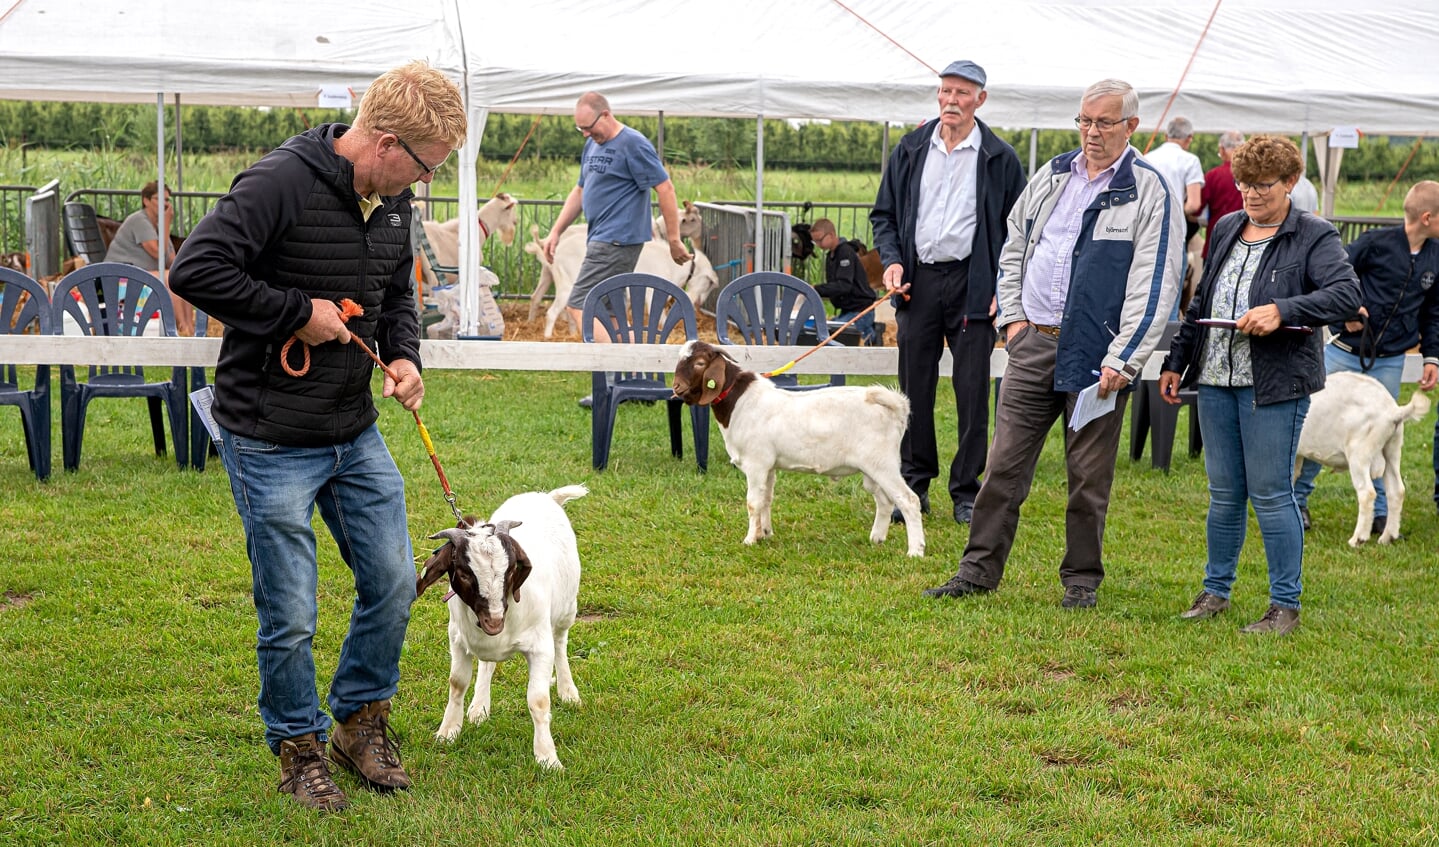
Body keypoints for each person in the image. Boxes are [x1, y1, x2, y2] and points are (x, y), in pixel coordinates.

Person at [169, 60, 467, 812]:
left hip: (352, 428)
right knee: (292, 611)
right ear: (388, 142)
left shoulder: (392, 205)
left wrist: (404, 354)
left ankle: (359, 722)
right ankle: (297, 747)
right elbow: (195, 269)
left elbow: (396, 294)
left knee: (396, 579)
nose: (421, 185)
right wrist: (295, 311)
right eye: (424, 167)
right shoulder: (278, 182)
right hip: (268, 435)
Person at [922, 78, 1182, 608]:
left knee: (1087, 477)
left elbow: (1155, 284)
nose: (1091, 132)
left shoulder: (1149, 190)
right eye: (1085, 121)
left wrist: (1123, 359)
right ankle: (976, 572)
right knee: (1002, 465)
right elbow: (1015, 243)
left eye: (1104, 123)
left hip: (1098, 356)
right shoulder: (1054, 173)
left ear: (1131, 126)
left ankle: (1080, 583)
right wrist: (1013, 321)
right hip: (1033, 342)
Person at [1158, 134, 1361, 636]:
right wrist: (1176, 362)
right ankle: (1215, 591)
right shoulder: (1227, 226)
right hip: (1215, 380)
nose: (1251, 195)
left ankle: (1284, 606)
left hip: (1273, 385)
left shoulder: (1314, 235)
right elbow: (1203, 300)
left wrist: (1283, 311)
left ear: (1291, 182)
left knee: (1272, 495)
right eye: (1244, 184)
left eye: (1263, 186)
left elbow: (1345, 295)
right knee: (1224, 494)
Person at [870, 59, 1024, 526]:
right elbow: (885, 216)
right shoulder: (912, 148)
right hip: (919, 283)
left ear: (981, 99)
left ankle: (966, 489)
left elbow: (1019, 230)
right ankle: (914, 484)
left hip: (974, 283)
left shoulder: (1000, 158)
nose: (951, 100)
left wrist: (1006, 285)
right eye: (945, 91)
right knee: (913, 388)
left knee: (972, 390)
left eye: (962, 93)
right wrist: (893, 259)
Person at [1293, 180, 1439, 534]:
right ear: (1427, 217)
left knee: (1384, 434)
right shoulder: (1374, 244)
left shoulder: (1436, 257)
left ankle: (1382, 514)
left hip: (1389, 361)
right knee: (1313, 427)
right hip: (1342, 354)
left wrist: (1432, 357)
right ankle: (1297, 503)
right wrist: (1342, 312)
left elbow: (1433, 312)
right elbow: (1326, 279)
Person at [539, 91, 690, 347]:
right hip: (600, 236)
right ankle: (633, 372)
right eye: (581, 129)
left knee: (578, 305)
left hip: (617, 239)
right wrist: (556, 231)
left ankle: (619, 367)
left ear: (606, 115)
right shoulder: (593, 144)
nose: (586, 134)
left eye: (589, 127)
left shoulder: (633, 144)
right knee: (610, 313)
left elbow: (665, 187)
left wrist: (674, 239)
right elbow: (581, 190)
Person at [104, 180, 194, 336]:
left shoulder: (157, 225)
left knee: (180, 276)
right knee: (169, 278)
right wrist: (166, 224)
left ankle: (189, 328)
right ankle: (179, 329)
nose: (165, 204)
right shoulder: (139, 220)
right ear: (146, 201)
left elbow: (171, 259)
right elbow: (158, 254)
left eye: (167, 200)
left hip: (140, 272)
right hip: (120, 274)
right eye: (160, 199)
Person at [809, 218, 879, 345]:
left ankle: (871, 337)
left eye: (819, 240)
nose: (818, 245)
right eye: (815, 241)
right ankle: (870, 334)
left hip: (860, 309)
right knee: (829, 331)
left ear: (831, 235)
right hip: (848, 309)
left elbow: (844, 285)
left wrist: (816, 289)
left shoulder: (845, 253)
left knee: (837, 336)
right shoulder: (831, 256)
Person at [1199, 131, 1245, 260]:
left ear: (1222, 149)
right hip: (1244, 240)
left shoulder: (1212, 176)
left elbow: (1197, 208)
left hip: (1216, 240)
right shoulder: (1254, 176)